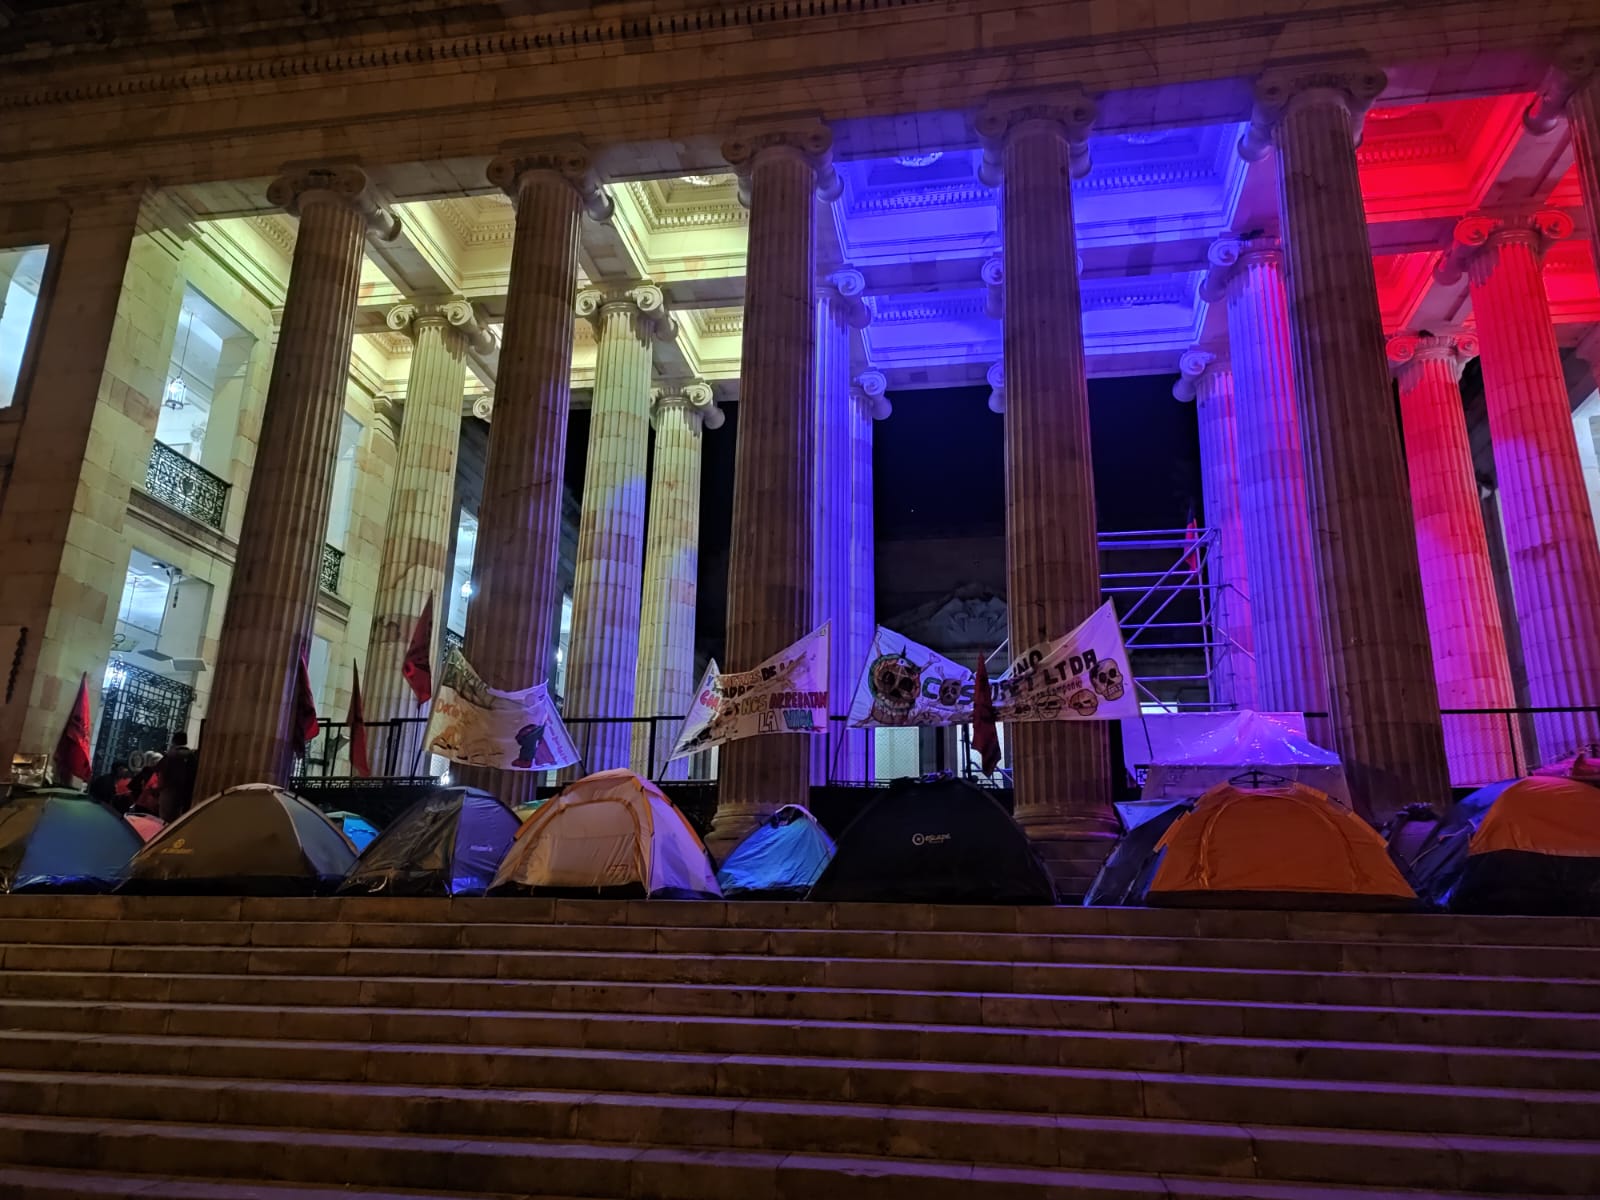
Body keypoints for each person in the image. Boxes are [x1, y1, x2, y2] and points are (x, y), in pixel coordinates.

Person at [157, 731, 198, 824]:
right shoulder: (192, 755)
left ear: (174, 740)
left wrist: (160, 788)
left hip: (169, 792)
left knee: (165, 822)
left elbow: (163, 775)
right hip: (187, 794)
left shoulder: (171, 755)